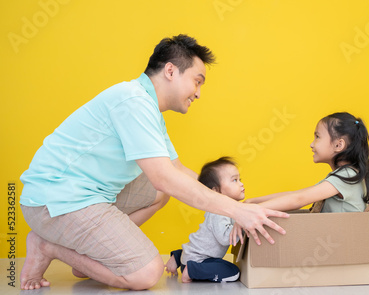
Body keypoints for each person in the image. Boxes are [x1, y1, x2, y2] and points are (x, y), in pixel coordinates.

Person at [19, 34, 288, 291]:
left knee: (160, 193)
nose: (199, 93)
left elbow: (177, 171)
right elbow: (165, 177)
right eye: (197, 81)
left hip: (87, 194)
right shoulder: (134, 102)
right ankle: (47, 245)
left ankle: (96, 255)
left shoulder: (148, 108)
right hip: (55, 200)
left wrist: (236, 203)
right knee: (147, 273)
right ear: (170, 71)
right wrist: (234, 211)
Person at [230, 112, 369, 244]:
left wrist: (249, 211)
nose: (311, 144)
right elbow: (296, 194)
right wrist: (252, 202)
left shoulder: (347, 176)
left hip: (342, 246)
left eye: (317, 137)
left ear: (338, 145)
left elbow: (299, 199)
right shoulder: (344, 176)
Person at [165, 157, 244, 283]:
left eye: (240, 179)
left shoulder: (221, 209)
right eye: (235, 180)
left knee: (205, 254)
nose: (241, 184)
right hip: (200, 260)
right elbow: (224, 238)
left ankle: (178, 256)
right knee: (233, 272)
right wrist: (243, 226)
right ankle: (192, 271)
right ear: (216, 191)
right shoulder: (219, 212)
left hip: (195, 254)